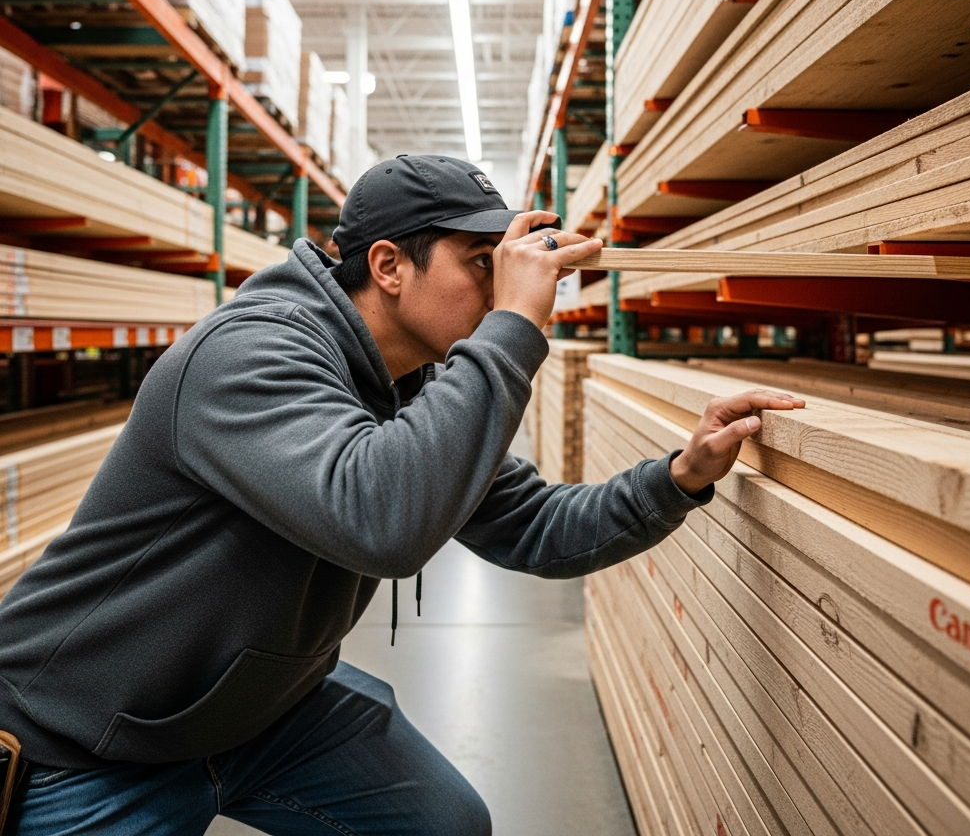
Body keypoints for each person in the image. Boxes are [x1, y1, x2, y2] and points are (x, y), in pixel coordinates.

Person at [0, 155, 803, 835]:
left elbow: (537, 528)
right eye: (480, 263)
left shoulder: (412, 382)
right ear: (388, 266)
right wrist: (513, 329)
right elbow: (382, 521)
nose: (500, 287)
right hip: (92, 739)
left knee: (443, 822)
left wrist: (681, 475)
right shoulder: (249, 355)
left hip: (261, 707)